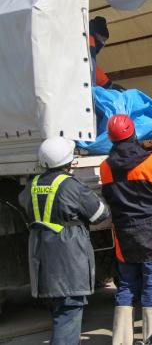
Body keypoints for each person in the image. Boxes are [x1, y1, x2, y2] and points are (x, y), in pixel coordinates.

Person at [18, 137, 110, 345]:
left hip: (42, 259)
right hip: (68, 259)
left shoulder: (32, 185)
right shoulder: (70, 186)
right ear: (69, 160)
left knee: (60, 311)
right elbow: (100, 214)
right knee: (68, 315)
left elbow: (23, 202)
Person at [99, 114, 152, 344]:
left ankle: (121, 340)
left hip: (125, 235)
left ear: (110, 138)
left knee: (126, 284)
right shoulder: (151, 163)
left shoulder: (105, 167)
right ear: (134, 134)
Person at [89, 16, 124, 90]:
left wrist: (107, 83)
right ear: (97, 34)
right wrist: (108, 85)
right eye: (103, 40)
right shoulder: (89, 40)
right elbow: (90, 66)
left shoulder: (88, 37)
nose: (104, 44)